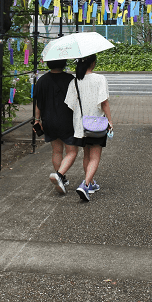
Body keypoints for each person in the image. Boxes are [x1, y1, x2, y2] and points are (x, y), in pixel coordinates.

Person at [64, 53, 113, 202]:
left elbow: (70, 104)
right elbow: (104, 103)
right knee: (95, 157)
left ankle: (91, 183)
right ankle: (85, 185)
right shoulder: (100, 79)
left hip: (81, 125)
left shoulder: (75, 82)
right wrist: (110, 121)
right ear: (93, 63)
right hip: (97, 124)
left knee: (86, 155)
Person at [32, 59, 78, 194]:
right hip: (67, 120)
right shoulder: (70, 79)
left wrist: (37, 120)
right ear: (63, 63)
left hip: (48, 121)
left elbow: (38, 103)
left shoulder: (42, 80)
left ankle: (61, 179)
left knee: (57, 151)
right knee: (72, 152)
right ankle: (59, 175)